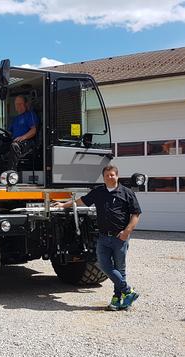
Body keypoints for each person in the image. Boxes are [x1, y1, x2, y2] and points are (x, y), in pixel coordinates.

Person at [53, 165, 141, 311]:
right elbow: (81, 201)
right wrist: (63, 205)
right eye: (107, 175)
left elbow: (136, 214)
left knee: (120, 268)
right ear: (103, 177)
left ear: (117, 176)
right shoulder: (99, 192)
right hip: (103, 238)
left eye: (112, 175)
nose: (110, 177)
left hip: (120, 238)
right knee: (104, 265)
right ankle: (128, 291)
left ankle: (118, 299)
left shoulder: (127, 193)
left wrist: (127, 231)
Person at [7, 95, 39, 170]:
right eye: (16, 104)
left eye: (20, 104)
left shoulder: (30, 114)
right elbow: (9, 132)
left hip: (27, 142)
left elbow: (33, 131)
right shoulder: (15, 119)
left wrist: (22, 137)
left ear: (26, 104)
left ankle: (11, 174)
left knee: (14, 146)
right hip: (16, 141)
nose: (18, 106)